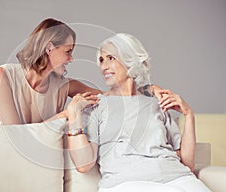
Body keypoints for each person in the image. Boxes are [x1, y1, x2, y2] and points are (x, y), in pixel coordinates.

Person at [66, 33, 211, 191]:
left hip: (179, 179)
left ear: (131, 60)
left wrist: (189, 115)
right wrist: (73, 115)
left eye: (111, 58)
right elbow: (83, 164)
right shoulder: (97, 106)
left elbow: (187, 164)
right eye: (101, 60)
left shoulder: (156, 102)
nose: (104, 66)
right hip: (127, 184)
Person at [0, 18, 160, 125]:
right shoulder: (3, 76)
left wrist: (148, 89)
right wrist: (66, 114)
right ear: (49, 48)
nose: (71, 59)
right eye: (68, 51)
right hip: (3, 155)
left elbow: (108, 97)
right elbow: (14, 135)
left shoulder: (64, 86)